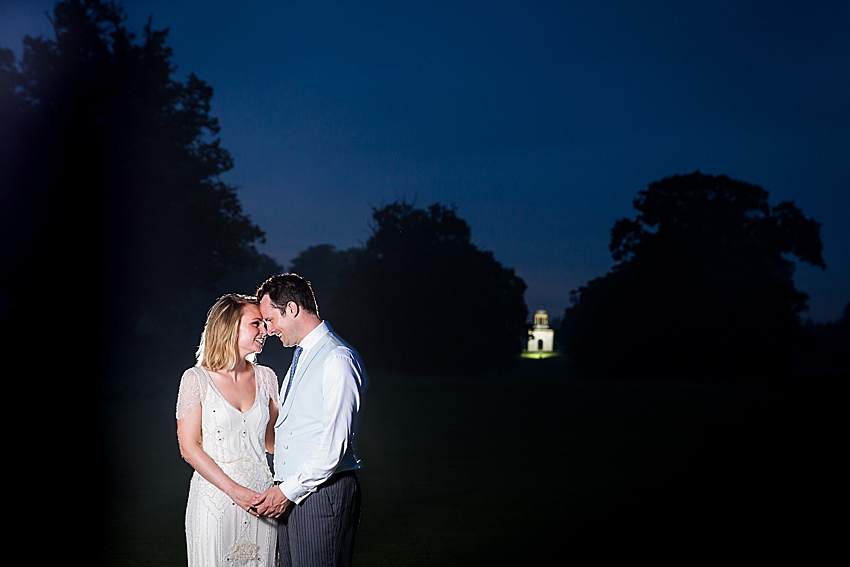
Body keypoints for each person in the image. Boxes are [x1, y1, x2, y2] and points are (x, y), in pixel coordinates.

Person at [252, 273, 366, 567]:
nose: (269, 329)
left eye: (270, 319)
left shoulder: (337, 358)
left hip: (320, 495)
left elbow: (334, 444)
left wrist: (287, 492)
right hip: (297, 492)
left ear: (291, 309)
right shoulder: (302, 356)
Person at [176, 294, 280, 566]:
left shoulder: (267, 377)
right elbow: (189, 447)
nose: (265, 331)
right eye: (256, 324)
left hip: (261, 501)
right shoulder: (196, 379)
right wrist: (234, 490)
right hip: (215, 500)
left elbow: (274, 442)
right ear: (231, 328)